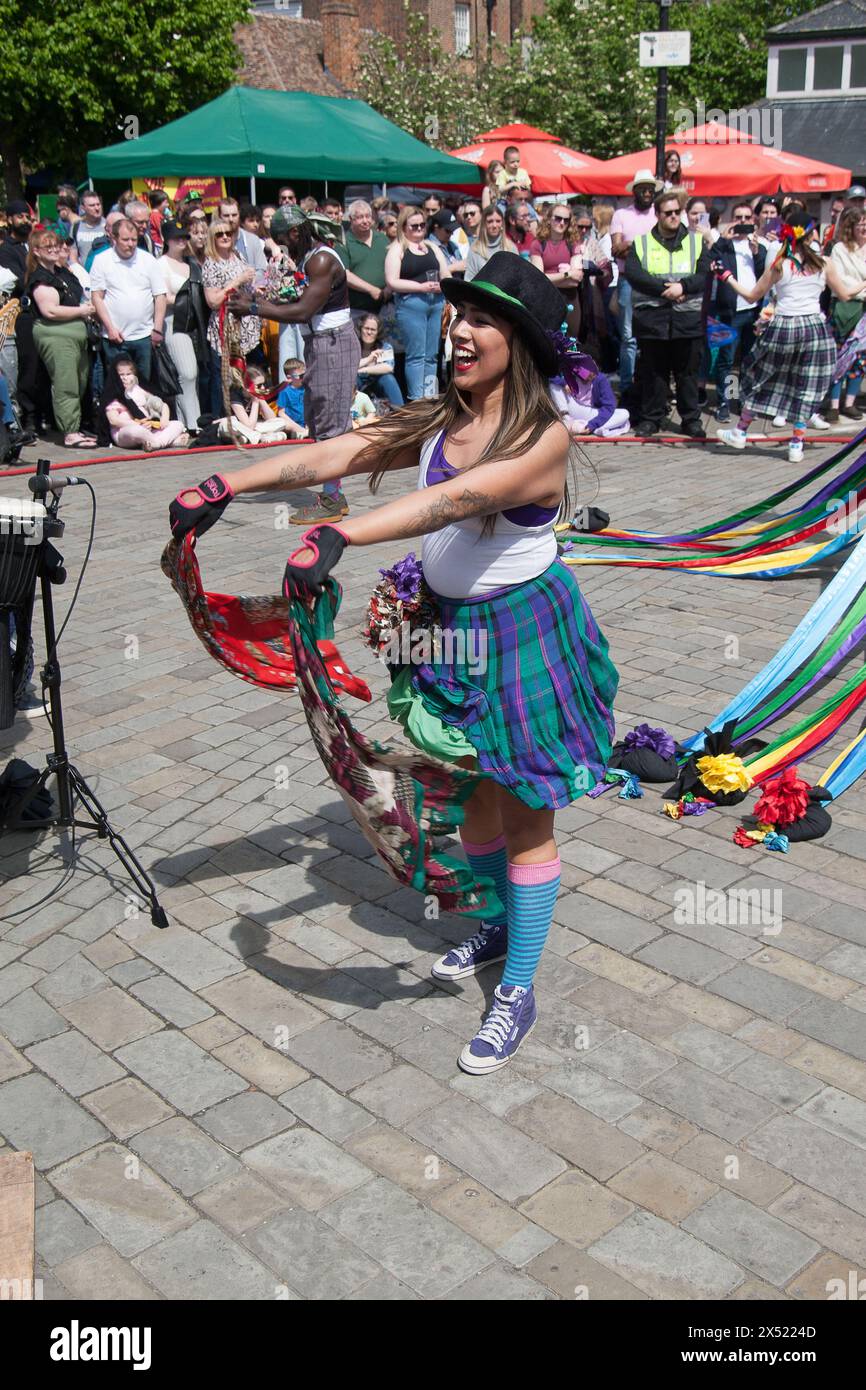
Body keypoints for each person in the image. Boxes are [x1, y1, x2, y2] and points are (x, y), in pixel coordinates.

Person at [168, 251, 618, 1074]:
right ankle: (494, 925)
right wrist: (226, 482)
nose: (461, 332)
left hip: (523, 637)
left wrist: (341, 534)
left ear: (518, 340)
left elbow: (452, 500)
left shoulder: (542, 438)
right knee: (471, 803)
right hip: (451, 637)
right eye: (459, 316)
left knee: (524, 817)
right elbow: (338, 453)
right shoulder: (442, 416)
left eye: (482, 320)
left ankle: (516, 988)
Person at [229, 204, 359, 523]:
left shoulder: (322, 259)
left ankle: (331, 500)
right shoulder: (308, 258)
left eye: (282, 238)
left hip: (333, 344)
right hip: (320, 344)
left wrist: (255, 308)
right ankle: (333, 494)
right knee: (320, 418)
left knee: (330, 425)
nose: (280, 246)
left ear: (297, 232)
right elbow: (298, 303)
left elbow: (303, 311)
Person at [716, 205, 866, 463]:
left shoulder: (780, 265)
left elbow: (752, 295)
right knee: (806, 385)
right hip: (814, 329)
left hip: (784, 326)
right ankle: (796, 442)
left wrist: (726, 276)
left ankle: (740, 431)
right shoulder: (824, 263)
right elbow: (845, 294)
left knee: (761, 378)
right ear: (810, 235)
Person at [624, 188, 711, 439]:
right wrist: (668, 290)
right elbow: (634, 274)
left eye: (677, 212)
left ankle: (690, 420)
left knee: (688, 373)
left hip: (686, 318)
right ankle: (652, 418)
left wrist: (683, 287)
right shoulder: (642, 243)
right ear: (658, 215)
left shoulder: (695, 241)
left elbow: (704, 273)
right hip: (652, 319)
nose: (674, 216)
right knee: (653, 372)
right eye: (668, 213)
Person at [26, 227, 98, 448]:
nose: (55, 249)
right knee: (66, 383)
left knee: (80, 381)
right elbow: (50, 311)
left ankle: (75, 426)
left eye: (56, 245)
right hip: (56, 334)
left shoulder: (62, 272)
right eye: (48, 246)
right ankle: (70, 431)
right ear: (36, 251)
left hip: (76, 334)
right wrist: (82, 311)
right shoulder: (40, 278)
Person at [385, 205, 450, 402]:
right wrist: (420, 287)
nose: (419, 229)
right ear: (404, 227)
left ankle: (430, 397)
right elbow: (392, 280)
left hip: (435, 302)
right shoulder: (397, 248)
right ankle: (416, 399)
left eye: (422, 225)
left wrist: (443, 284)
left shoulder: (432, 247)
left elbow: (445, 272)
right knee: (416, 355)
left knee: (432, 355)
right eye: (414, 226)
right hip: (411, 304)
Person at [90, 217, 166, 382]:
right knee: (117, 384)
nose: (130, 244)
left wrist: (157, 329)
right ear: (114, 238)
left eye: (134, 239)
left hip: (144, 336)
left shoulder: (148, 260)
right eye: (125, 240)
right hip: (115, 337)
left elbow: (160, 296)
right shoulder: (101, 260)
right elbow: (97, 297)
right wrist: (110, 328)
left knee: (144, 384)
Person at [711, 203, 766, 422]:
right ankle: (725, 401)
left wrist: (756, 252)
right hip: (728, 311)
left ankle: (743, 399)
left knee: (747, 359)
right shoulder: (723, 245)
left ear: (753, 220)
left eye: (746, 217)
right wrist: (723, 239)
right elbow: (710, 262)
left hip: (752, 311)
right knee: (726, 360)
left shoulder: (758, 246)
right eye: (738, 217)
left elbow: (765, 274)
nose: (742, 222)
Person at [201, 219, 260, 415]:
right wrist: (237, 281)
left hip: (246, 325)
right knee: (224, 377)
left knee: (246, 374)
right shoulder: (211, 263)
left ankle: (248, 415)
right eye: (220, 234)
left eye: (228, 232)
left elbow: (246, 286)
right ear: (212, 238)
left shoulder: (238, 255)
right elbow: (213, 301)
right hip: (226, 327)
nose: (225, 237)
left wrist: (255, 288)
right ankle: (223, 417)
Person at [610, 170, 659, 400]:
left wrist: (631, 246)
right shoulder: (621, 214)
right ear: (634, 191)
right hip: (628, 280)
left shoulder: (659, 214)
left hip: (654, 281)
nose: (648, 192)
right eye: (643, 189)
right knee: (628, 337)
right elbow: (616, 249)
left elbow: (662, 249)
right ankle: (627, 386)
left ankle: (652, 384)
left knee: (653, 335)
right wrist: (646, 245)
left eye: (651, 189)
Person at [159, 220, 201, 433]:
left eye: (185, 237)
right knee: (187, 372)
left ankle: (190, 422)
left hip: (196, 323)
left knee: (193, 374)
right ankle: (192, 422)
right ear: (167, 240)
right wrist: (189, 298)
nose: (182, 241)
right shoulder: (161, 264)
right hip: (174, 322)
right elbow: (162, 298)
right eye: (177, 237)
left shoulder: (192, 263)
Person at [825, 207, 866, 421]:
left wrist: (858, 287)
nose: (864, 227)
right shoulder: (839, 249)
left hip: (864, 310)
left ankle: (849, 403)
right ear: (850, 226)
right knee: (838, 356)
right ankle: (833, 405)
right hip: (844, 308)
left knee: (860, 358)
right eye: (860, 223)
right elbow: (839, 281)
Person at [104, 354, 188, 450]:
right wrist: (137, 424)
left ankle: (155, 444)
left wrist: (164, 419)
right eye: (121, 375)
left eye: (128, 374)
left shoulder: (139, 390)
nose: (125, 378)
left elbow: (162, 405)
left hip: (149, 428)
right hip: (125, 431)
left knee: (178, 424)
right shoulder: (112, 394)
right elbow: (113, 421)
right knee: (137, 431)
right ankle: (166, 442)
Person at [550, 348, 630, 437]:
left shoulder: (600, 379)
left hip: (591, 414)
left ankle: (589, 428)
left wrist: (593, 424)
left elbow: (609, 407)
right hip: (572, 409)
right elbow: (550, 376)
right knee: (554, 385)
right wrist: (564, 383)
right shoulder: (571, 375)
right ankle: (566, 420)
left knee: (624, 413)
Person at [223, 362, 304, 445]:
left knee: (281, 421)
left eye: (263, 384)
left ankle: (302, 432)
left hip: (253, 429)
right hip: (237, 428)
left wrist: (260, 399)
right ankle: (269, 437)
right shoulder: (234, 394)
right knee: (229, 423)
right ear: (246, 386)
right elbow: (248, 426)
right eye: (259, 385)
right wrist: (255, 401)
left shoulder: (257, 395)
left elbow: (272, 418)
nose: (263, 388)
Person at [335, 200, 390, 319]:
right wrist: (372, 290)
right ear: (350, 219)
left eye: (368, 216)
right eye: (360, 217)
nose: (365, 221)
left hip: (385, 305)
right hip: (357, 308)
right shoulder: (343, 242)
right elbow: (345, 274)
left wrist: (389, 288)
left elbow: (393, 266)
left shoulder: (382, 239)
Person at [355, 312, 404, 407]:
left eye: (373, 330)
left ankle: (400, 413)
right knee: (352, 379)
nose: (369, 332)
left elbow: (388, 367)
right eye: (366, 328)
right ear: (361, 329)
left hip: (377, 383)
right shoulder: (353, 346)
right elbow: (349, 367)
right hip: (357, 383)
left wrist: (362, 370)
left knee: (388, 379)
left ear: (378, 332)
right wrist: (369, 359)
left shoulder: (384, 346)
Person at [465, 205, 516, 280]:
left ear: (502, 223)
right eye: (490, 221)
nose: (494, 225)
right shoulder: (475, 249)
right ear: (484, 223)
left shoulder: (510, 247)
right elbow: (469, 279)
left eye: (498, 221)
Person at [218, 197, 267, 275]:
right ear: (220, 216)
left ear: (239, 215)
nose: (231, 219)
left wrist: (254, 281)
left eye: (234, 215)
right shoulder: (213, 241)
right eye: (226, 216)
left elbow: (261, 269)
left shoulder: (253, 240)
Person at [70, 191, 106, 266]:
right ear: (83, 208)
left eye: (98, 204)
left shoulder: (108, 225)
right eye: (92, 205)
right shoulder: (76, 227)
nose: (97, 208)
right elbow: (73, 256)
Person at [428, 209, 466, 273]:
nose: (451, 234)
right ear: (436, 227)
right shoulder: (427, 247)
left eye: (452, 230)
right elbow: (431, 274)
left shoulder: (453, 245)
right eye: (448, 231)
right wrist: (454, 267)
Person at [276, 357, 306, 428]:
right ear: (289, 377)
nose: (303, 377)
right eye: (300, 376)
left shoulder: (306, 388)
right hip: (292, 423)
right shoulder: (284, 391)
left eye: (304, 374)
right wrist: (295, 426)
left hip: (306, 422)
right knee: (283, 423)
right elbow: (281, 413)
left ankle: (305, 432)